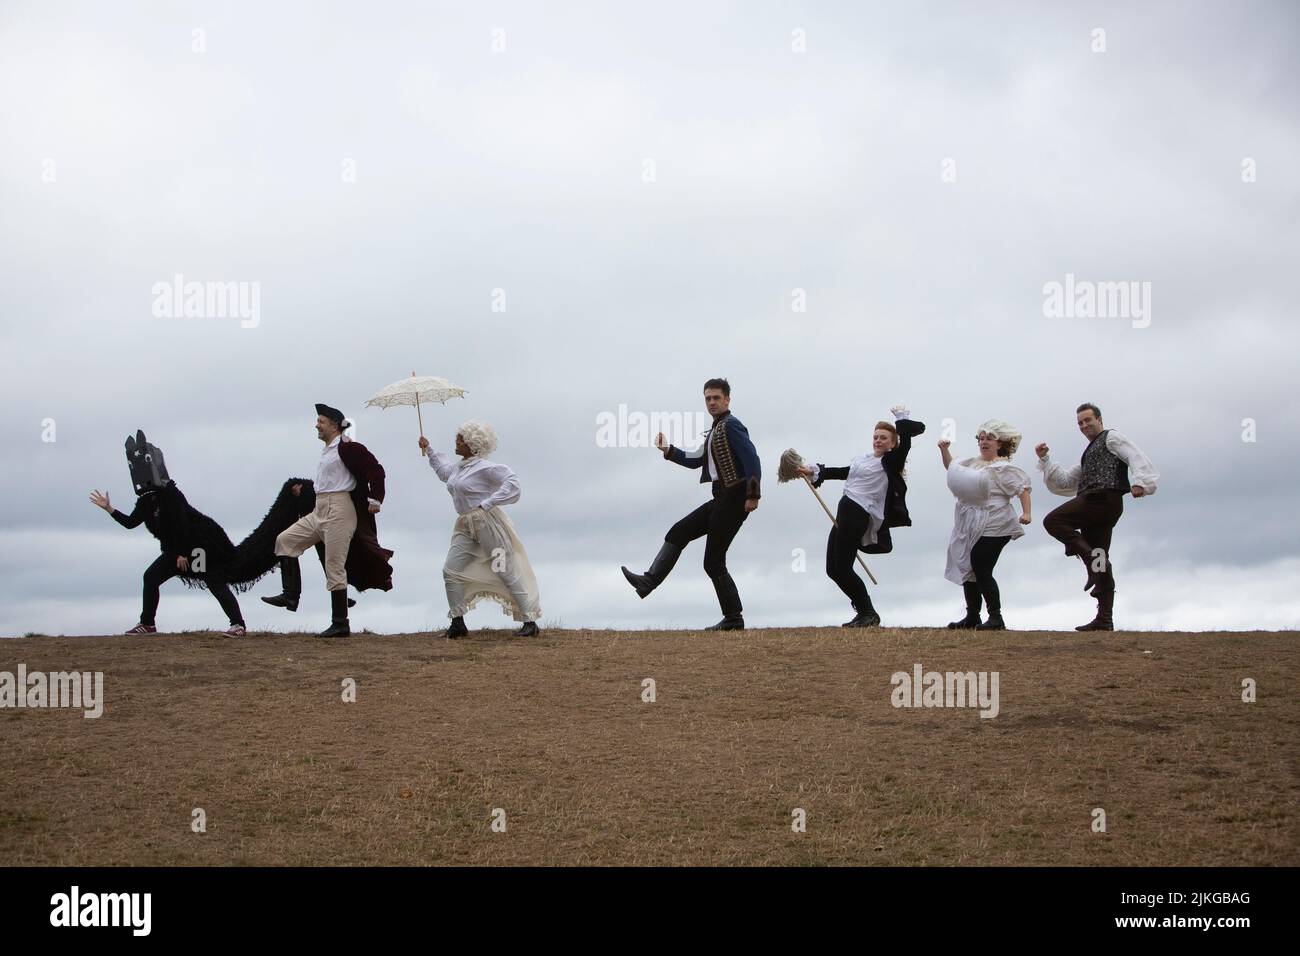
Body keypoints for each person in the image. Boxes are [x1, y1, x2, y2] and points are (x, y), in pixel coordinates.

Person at [621, 378, 760, 631]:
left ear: (727, 400)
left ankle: (733, 618)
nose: (712, 402)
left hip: (735, 499)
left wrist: (753, 495)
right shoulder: (717, 429)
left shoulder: (732, 427)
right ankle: (648, 581)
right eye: (708, 398)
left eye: (717, 397)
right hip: (720, 498)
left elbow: (752, 460)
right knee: (679, 531)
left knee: (713, 561)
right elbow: (697, 459)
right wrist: (668, 450)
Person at [91, 430, 247, 637]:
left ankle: (238, 625)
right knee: (151, 577)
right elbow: (130, 523)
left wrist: (182, 553)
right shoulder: (147, 501)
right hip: (176, 548)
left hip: (202, 543)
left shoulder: (171, 495)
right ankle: (147, 624)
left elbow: (181, 524)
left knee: (213, 579)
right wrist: (109, 509)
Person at [266, 404, 393, 638]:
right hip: (320, 507)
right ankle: (290, 595)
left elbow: (376, 470)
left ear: (334, 425)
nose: (317, 425)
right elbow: (326, 484)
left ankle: (340, 623)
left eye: (321, 421)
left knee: (334, 565)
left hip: (340, 509)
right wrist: (305, 490)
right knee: (285, 541)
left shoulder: (349, 448)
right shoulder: (328, 451)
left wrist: (376, 499)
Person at [795, 405, 925, 627]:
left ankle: (869, 613)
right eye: (875, 437)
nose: (878, 440)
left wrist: (902, 419)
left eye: (884, 438)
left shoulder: (890, 462)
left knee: (843, 568)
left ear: (893, 443)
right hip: (843, 514)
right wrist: (814, 471)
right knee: (832, 569)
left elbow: (905, 444)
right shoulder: (862, 460)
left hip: (857, 515)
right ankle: (863, 610)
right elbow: (843, 472)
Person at [1036, 403, 1158, 631]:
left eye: (1087, 420)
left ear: (1099, 419)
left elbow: (1134, 455)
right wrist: (1045, 459)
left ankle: (1089, 559)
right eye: (1080, 423)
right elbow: (1063, 481)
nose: (1084, 425)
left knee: (1053, 521)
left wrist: (1141, 482)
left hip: (1101, 500)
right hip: (1100, 507)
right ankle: (1104, 618)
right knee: (1101, 556)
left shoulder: (1111, 438)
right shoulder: (1089, 454)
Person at [419, 421, 542, 639]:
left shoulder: (485, 468)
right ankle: (457, 622)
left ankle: (530, 621)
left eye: (461, 439)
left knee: (504, 569)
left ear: (472, 444)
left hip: (488, 525)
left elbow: (512, 482)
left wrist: (488, 503)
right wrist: (428, 449)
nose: (456, 442)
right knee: (450, 570)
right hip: (465, 525)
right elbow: (445, 471)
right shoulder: (459, 467)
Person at [939, 420, 1032, 630]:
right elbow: (951, 468)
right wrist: (944, 450)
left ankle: (996, 617)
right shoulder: (971, 463)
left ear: (1000, 443)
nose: (984, 442)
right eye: (981, 438)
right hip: (969, 523)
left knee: (980, 565)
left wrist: (1026, 513)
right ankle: (972, 616)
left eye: (989, 438)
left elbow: (1022, 489)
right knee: (967, 566)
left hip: (996, 523)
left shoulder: (1004, 468)